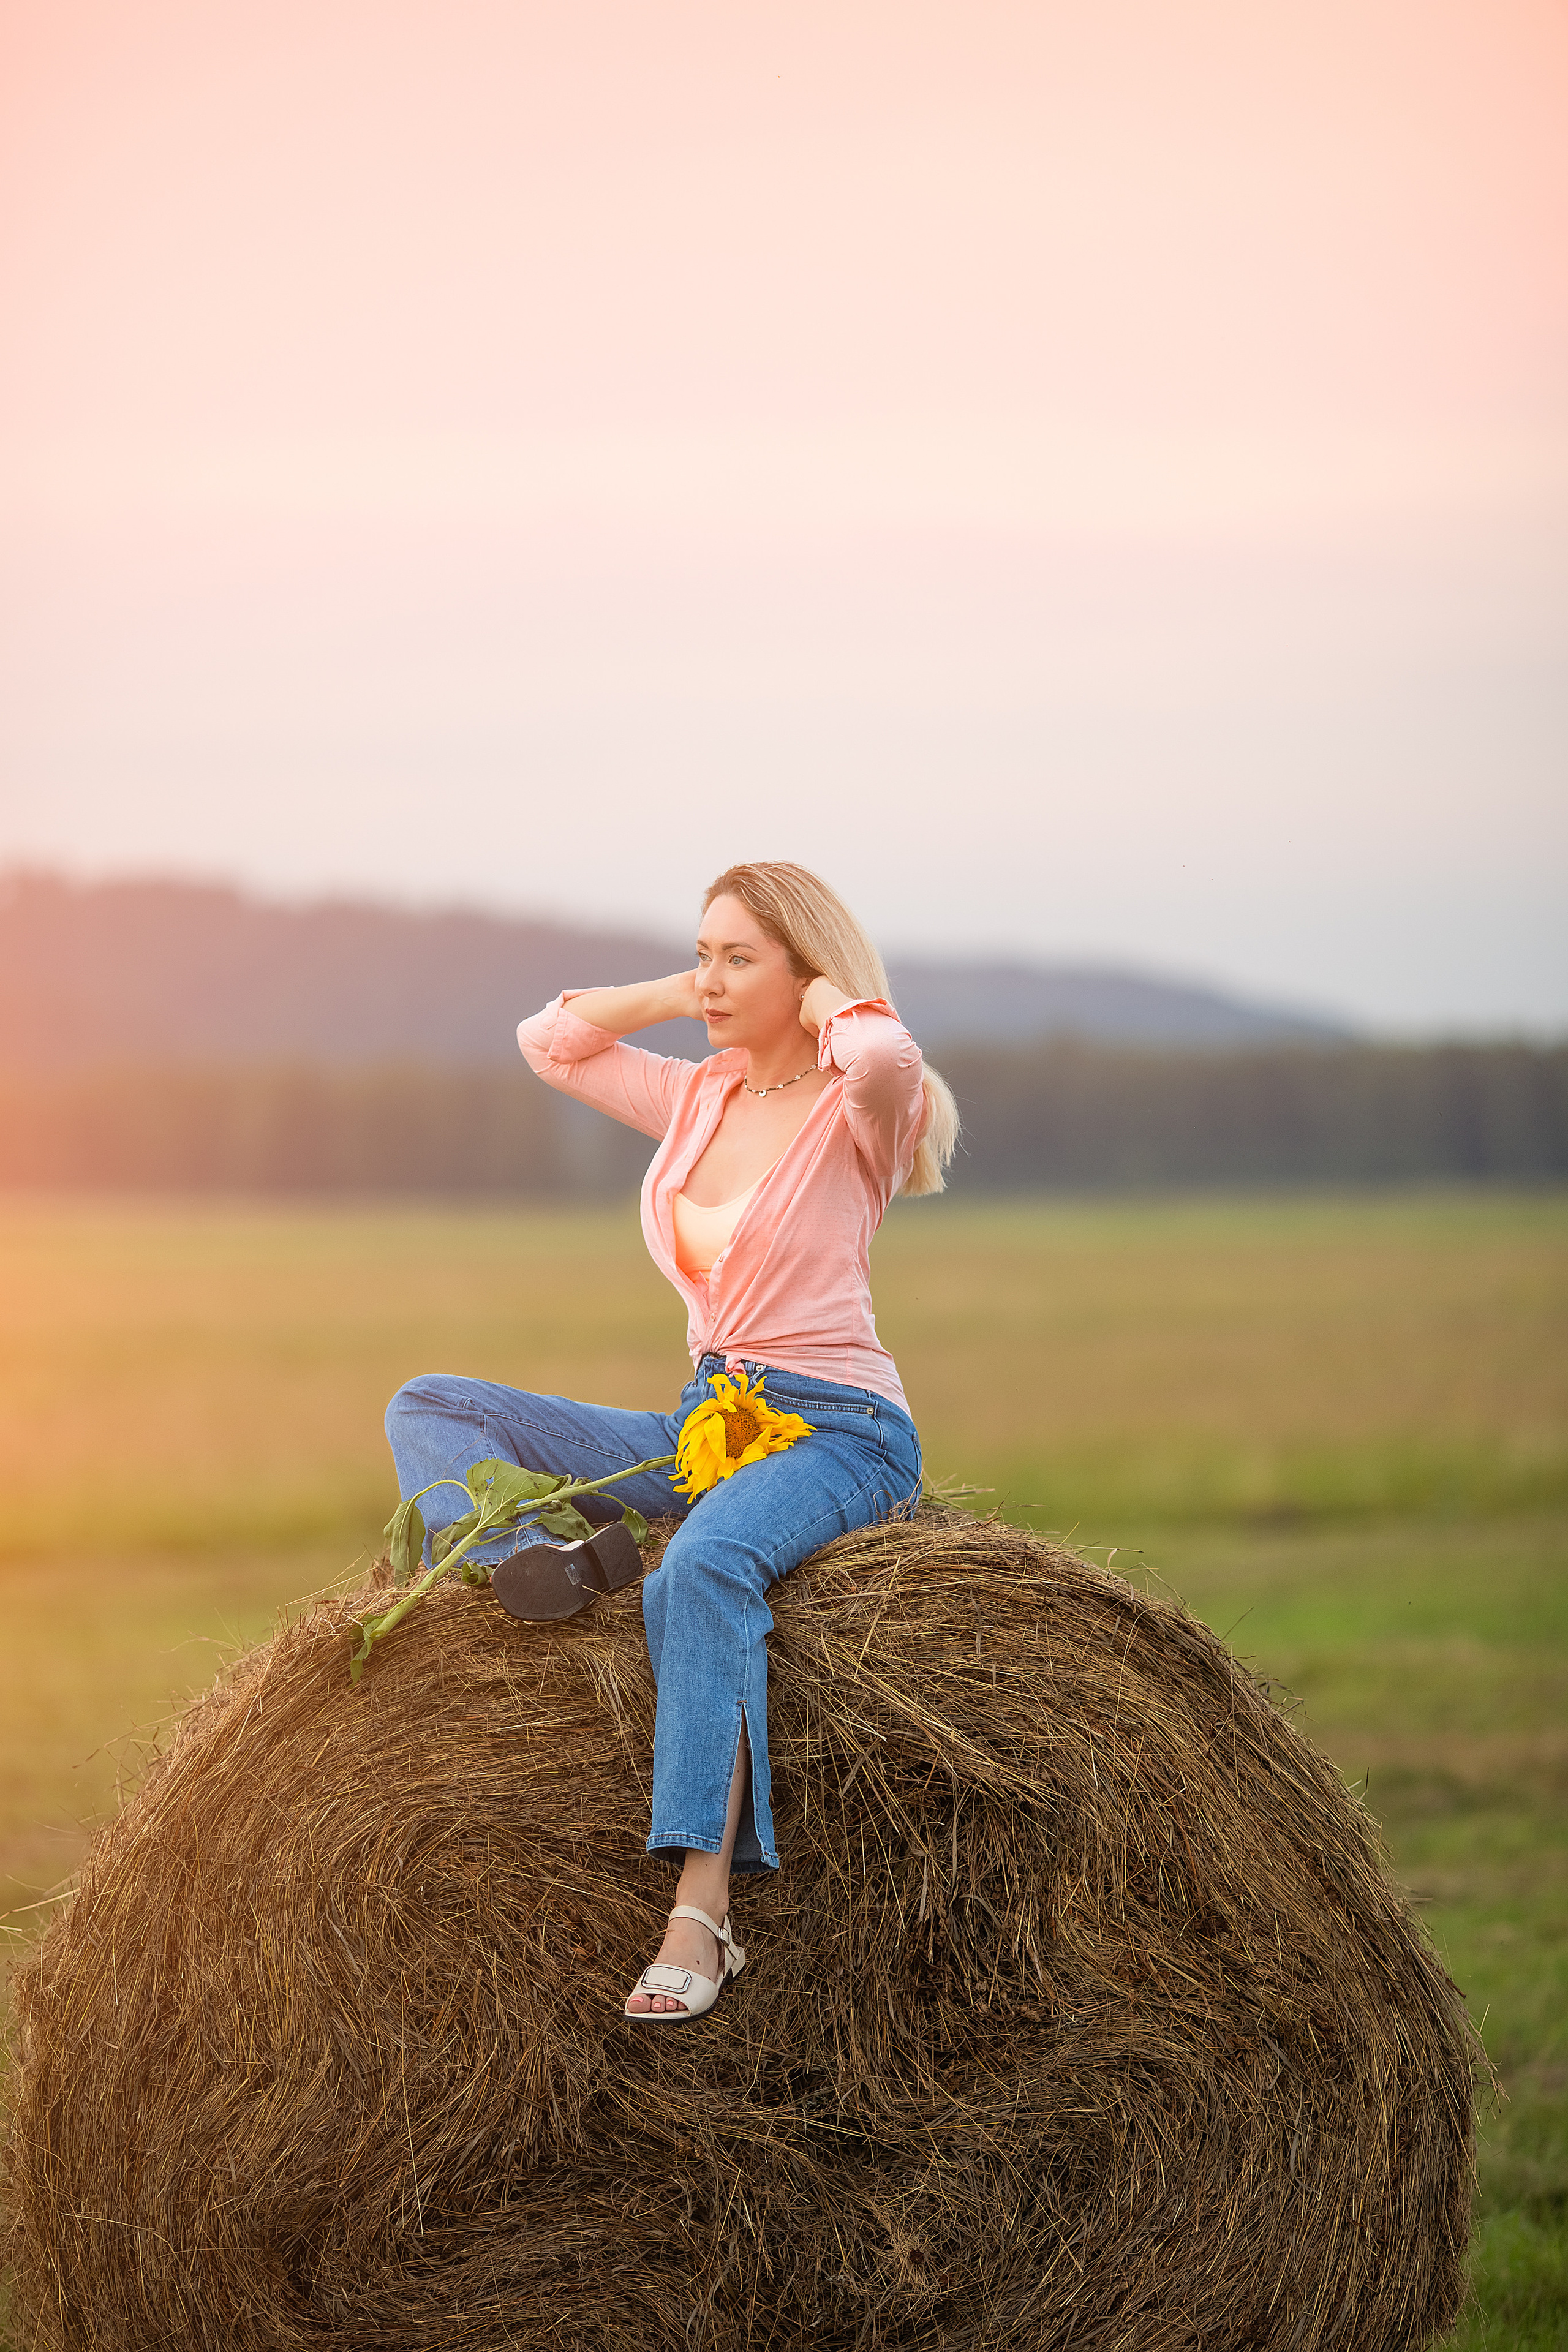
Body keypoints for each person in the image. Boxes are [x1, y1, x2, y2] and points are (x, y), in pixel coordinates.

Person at [384, 862, 958, 2021]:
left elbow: (885, 1055)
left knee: (700, 1568)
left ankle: (704, 1912)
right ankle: (527, 1571)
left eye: (741, 958)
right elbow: (548, 1042)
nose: (713, 980)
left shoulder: (862, 1113)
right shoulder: (698, 1097)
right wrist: (681, 990)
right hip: (707, 1423)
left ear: (810, 975)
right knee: (432, 1405)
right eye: (705, 953)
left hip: (840, 1430)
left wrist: (825, 1001)